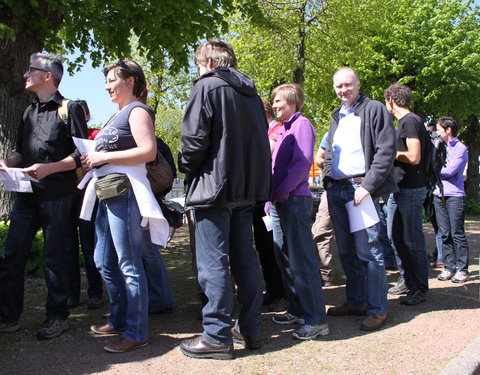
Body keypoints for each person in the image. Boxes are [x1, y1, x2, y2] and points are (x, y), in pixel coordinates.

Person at [178, 38, 270, 360]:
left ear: (206, 62)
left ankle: (216, 335)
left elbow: (193, 140)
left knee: (212, 262)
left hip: (213, 189)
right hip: (245, 189)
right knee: (245, 258)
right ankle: (251, 328)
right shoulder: (253, 95)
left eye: (197, 63)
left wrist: (186, 168)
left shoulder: (207, 86)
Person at [80, 59, 168, 353]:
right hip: (107, 195)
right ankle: (119, 318)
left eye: (111, 80)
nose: (106, 86)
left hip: (126, 194)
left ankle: (136, 331)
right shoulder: (114, 115)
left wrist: (103, 158)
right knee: (103, 261)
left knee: (129, 264)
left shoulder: (137, 111)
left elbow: (148, 151)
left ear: (129, 81)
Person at [0, 53, 88, 339]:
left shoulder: (69, 108)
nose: (25, 74)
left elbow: (82, 154)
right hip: (26, 196)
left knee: (56, 257)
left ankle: (57, 316)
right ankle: (8, 317)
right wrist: (8, 163)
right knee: (12, 255)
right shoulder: (28, 111)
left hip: (58, 196)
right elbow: (18, 151)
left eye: (31, 70)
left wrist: (51, 168)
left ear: (47, 76)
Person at [323, 67, 397, 332]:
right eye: (338, 86)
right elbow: (330, 152)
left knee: (370, 251)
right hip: (338, 190)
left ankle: (378, 309)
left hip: (360, 191)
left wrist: (367, 186)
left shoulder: (374, 109)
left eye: (348, 84)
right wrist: (328, 180)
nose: (343, 90)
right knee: (347, 251)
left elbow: (387, 150)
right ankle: (356, 301)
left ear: (358, 84)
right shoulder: (337, 116)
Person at [269, 83, 329, 341]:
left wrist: (283, 190)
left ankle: (317, 320)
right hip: (278, 202)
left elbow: (303, 162)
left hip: (294, 200)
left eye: (279, 101)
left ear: (292, 101)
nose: (274, 105)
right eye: (273, 102)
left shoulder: (302, 124)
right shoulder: (283, 128)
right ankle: (297, 308)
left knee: (302, 260)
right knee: (284, 258)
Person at [384, 83, 429, 305]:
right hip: (398, 188)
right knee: (395, 236)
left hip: (411, 189)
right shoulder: (404, 122)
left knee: (412, 240)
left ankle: (419, 287)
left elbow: (414, 157)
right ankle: (407, 279)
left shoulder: (410, 121)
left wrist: (389, 150)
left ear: (391, 100)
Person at [254, 98, 285, 310]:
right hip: (260, 198)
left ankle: (281, 291)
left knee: (274, 245)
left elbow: (264, 155)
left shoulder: (276, 130)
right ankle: (272, 289)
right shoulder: (265, 131)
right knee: (264, 247)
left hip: (270, 197)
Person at [433, 117, 469, 283]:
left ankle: (462, 268)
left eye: (440, 129)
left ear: (448, 130)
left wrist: (432, 170)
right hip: (438, 194)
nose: (437, 132)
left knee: (457, 233)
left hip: (454, 195)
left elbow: (450, 171)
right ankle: (449, 266)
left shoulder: (460, 149)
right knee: (444, 232)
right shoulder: (439, 147)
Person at [311, 132, 335, 287]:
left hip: (359, 188)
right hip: (332, 187)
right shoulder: (330, 133)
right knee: (321, 230)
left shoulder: (366, 126)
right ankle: (324, 275)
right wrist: (330, 163)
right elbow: (318, 157)